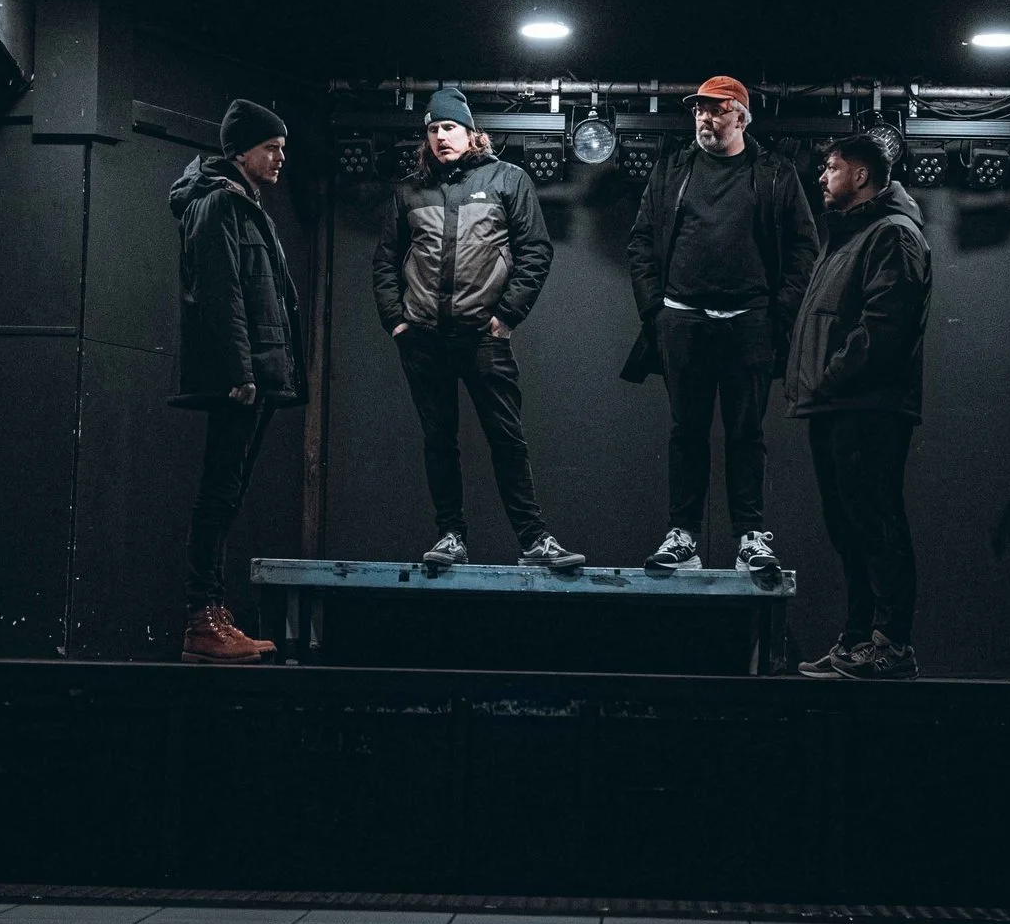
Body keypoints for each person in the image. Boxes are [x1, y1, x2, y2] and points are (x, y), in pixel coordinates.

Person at [373, 87, 583, 571]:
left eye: (448, 127)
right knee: (438, 439)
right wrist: (395, 320)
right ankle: (450, 537)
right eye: (431, 129)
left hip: (482, 336)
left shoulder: (508, 180)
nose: (440, 137)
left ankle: (534, 540)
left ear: (471, 132)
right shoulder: (409, 191)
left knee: (506, 437)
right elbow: (385, 260)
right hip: (424, 338)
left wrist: (506, 316)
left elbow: (536, 251)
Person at [621, 76, 819, 578]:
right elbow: (641, 242)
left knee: (745, 433)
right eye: (700, 111)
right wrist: (656, 313)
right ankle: (682, 535)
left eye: (717, 110)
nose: (706, 120)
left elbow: (803, 247)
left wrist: (779, 315)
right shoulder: (672, 170)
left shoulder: (774, 173)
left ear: (741, 117)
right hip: (682, 321)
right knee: (686, 431)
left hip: (750, 324)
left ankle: (749, 537)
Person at [786, 132, 933, 679]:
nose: (821, 177)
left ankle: (892, 645)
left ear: (862, 176)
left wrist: (831, 376)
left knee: (875, 524)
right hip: (837, 406)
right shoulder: (849, 235)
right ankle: (857, 643)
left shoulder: (893, 235)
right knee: (849, 529)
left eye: (831, 168)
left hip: (867, 407)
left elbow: (884, 328)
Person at [166, 98, 303, 664]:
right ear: (241, 150)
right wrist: (240, 372)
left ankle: (212, 611)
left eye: (283, 150)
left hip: (257, 375)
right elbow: (219, 295)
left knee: (227, 494)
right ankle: (202, 618)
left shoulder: (245, 204)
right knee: (218, 493)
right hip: (240, 378)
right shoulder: (218, 204)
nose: (279, 159)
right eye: (271, 149)